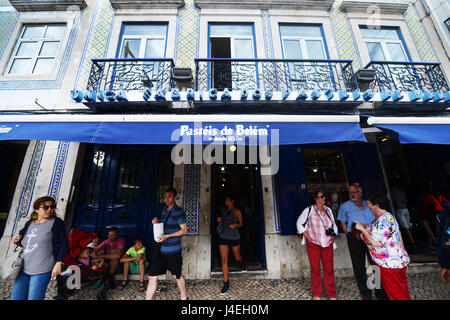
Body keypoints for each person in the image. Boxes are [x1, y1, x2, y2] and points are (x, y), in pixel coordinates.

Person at [355, 193, 411, 300]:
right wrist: (364, 226)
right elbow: (374, 230)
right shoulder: (380, 218)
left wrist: (362, 229)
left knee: (397, 295)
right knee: (399, 292)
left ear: (376, 205)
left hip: (390, 264)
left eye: (369, 203)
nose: (367, 205)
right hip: (388, 263)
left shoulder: (385, 220)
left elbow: (376, 242)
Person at [10, 196, 68, 300]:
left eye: (52, 206)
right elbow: (22, 241)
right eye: (46, 207)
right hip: (24, 267)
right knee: (16, 297)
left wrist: (59, 262)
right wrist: (15, 240)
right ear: (36, 209)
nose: (50, 209)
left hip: (42, 269)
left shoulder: (57, 223)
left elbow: (64, 244)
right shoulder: (30, 223)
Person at [337, 183, 388, 300]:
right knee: (359, 266)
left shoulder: (369, 204)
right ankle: (365, 293)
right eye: (350, 192)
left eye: (354, 192)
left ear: (360, 193)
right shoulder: (345, 206)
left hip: (371, 237)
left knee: (375, 264)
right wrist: (347, 233)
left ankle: (380, 293)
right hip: (354, 238)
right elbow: (342, 221)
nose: (351, 195)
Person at [146, 187, 188, 300]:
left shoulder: (179, 212)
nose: (166, 199)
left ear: (175, 197)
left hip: (172, 251)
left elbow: (184, 230)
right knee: (152, 277)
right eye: (165, 196)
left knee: (177, 276)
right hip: (159, 250)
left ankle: (184, 297)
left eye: (169, 196)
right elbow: (162, 226)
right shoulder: (164, 210)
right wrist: (156, 222)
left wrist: (168, 236)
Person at [296, 190, 338, 300]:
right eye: (322, 196)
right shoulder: (309, 210)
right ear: (316, 199)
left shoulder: (328, 210)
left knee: (329, 269)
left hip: (327, 243)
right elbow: (299, 223)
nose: (324, 198)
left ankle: (331, 294)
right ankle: (317, 294)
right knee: (315, 269)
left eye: (324, 196)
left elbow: (334, 225)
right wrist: (307, 236)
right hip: (313, 243)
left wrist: (333, 236)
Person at [216, 195, 247, 295]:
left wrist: (235, 225)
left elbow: (241, 223)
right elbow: (221, 220)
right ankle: (226, 282)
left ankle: (242, 264)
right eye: (225, 200)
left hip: (234, 237)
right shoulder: (223, 211)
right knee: (224, 261)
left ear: (232, 201)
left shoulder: (237, 211)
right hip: (223, 237)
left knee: (237, 257)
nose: (225, 201)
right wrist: (219, 220)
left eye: (227, 200)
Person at [92, 226, 125, 299]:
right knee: (98, 262)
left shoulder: (120, 240)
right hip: (108, 265)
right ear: (107, 236)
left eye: (115, 234)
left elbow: (118, 255)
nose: (113, 237)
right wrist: (92, 250)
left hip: (119, 266)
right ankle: (107, 281)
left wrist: (102, 256)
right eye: (111, 235)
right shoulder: (106, 242)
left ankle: (105, 280)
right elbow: (95, 250)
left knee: (115, 260)